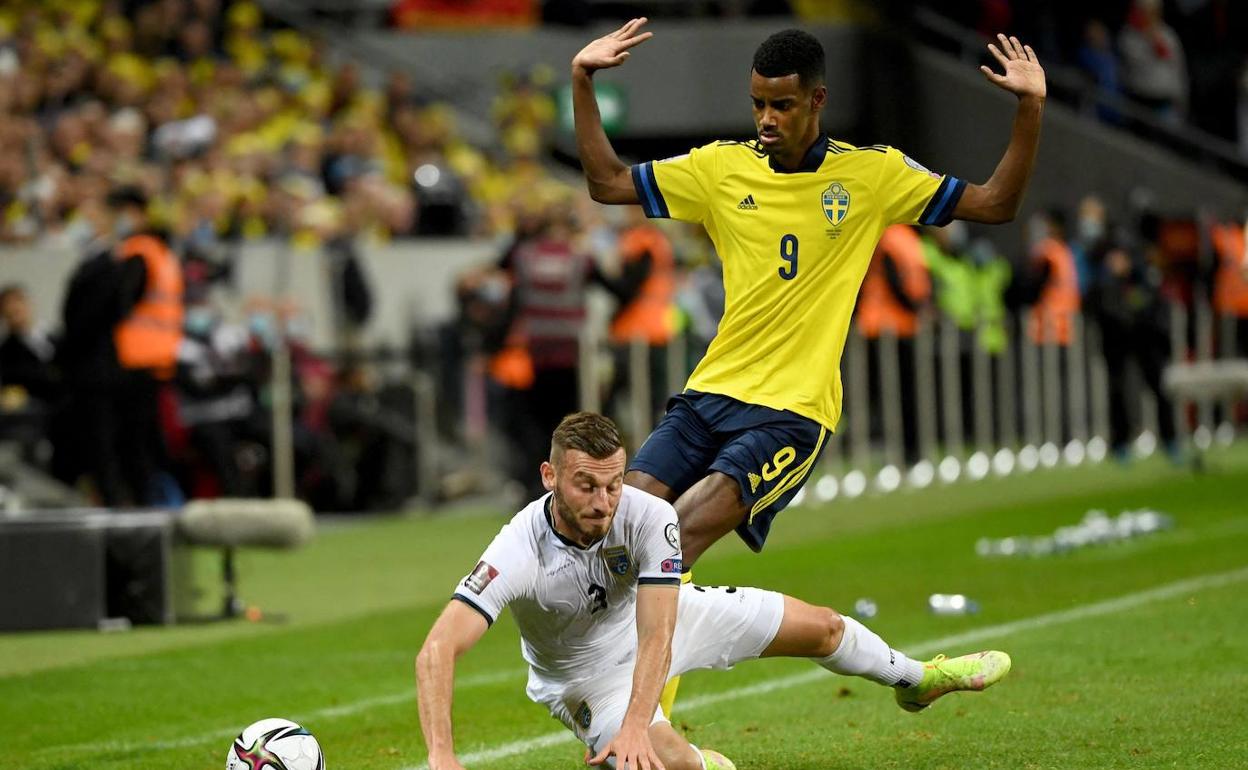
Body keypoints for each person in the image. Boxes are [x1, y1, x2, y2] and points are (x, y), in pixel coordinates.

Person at [570, 21, 1046, 568]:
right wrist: (583, 80)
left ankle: (637, 652)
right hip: (709, 393)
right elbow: (607, 183)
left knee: (674, 535)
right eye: (758, 104)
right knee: (622, 527)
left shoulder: (873, 174)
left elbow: (994, 204)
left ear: (817, 99)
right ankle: (615, 646)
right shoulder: (719, 167)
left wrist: (1029, 109)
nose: (767, 118)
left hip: (791, 411)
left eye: (783, 105)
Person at [415, 412, 1011, 770]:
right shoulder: (517, 550)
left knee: (824, 627)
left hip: (660, 626)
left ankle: (917, 681)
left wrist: (637, 720)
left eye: (614, 484)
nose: (602, 502)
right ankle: (702, 763)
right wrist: (442, 754)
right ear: (549, 477)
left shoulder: (650, 517)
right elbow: (438, 650)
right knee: (657, 761)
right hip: (583, 678)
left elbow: (660, 631)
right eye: (585, 486)